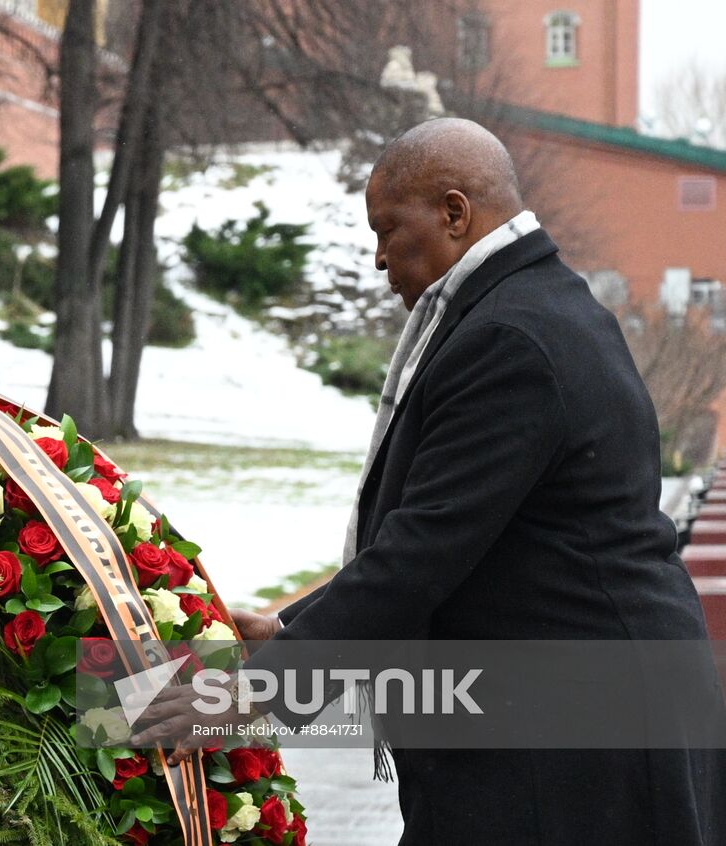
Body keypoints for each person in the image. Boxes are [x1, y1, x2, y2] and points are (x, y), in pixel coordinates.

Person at [145, 118, 726, 844]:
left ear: (455, 212)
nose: (380, 257)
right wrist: (296, 628)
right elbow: (461, 535)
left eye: (389, 229)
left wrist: (253, 689)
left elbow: (424, 551)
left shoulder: (511, 338)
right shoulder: (532, 309)